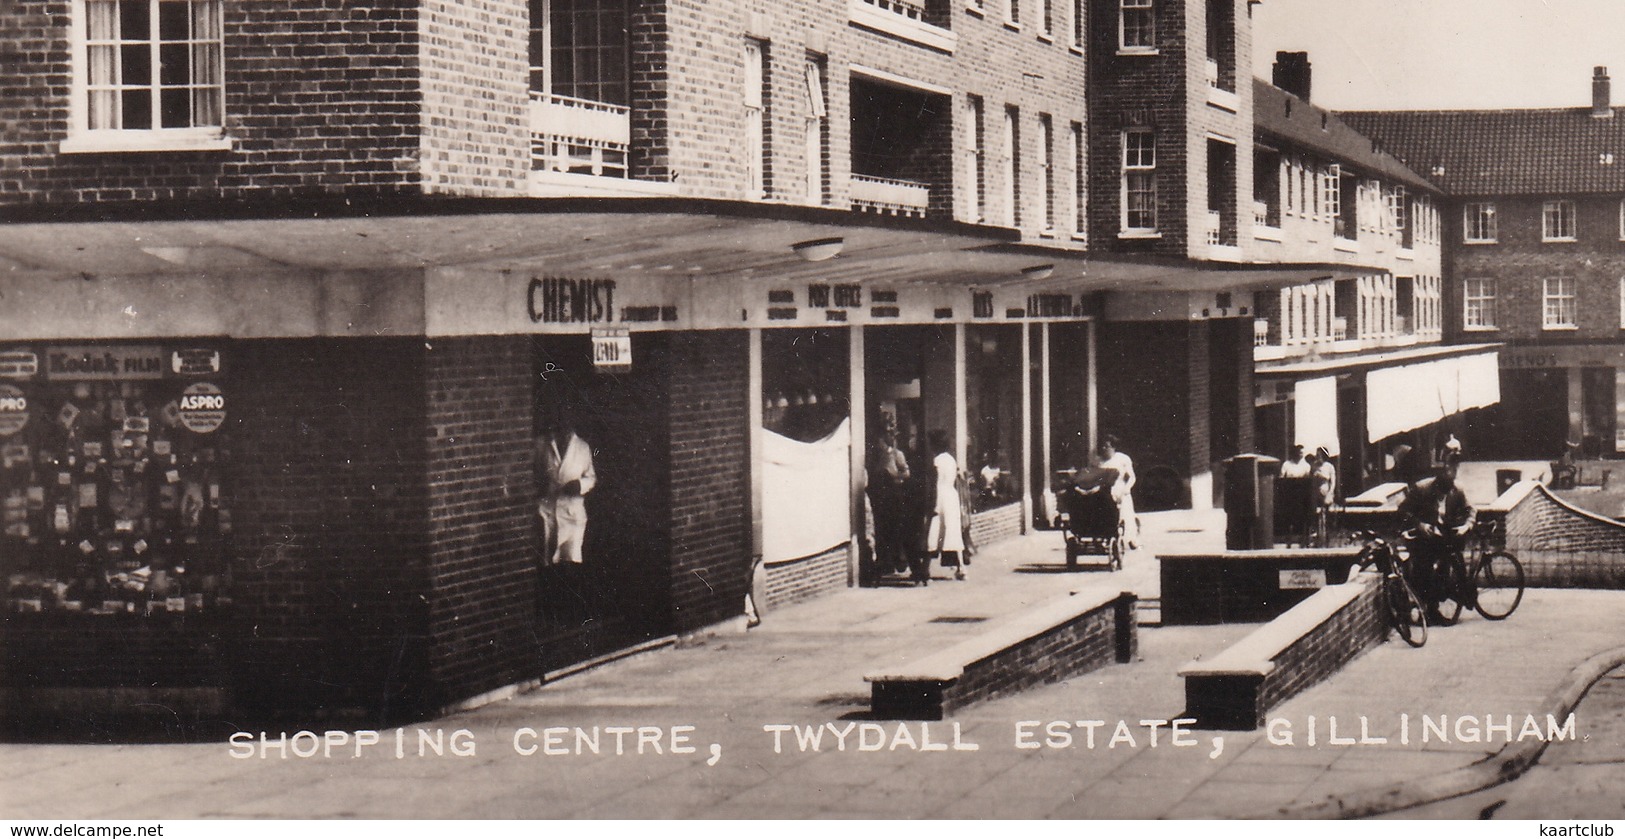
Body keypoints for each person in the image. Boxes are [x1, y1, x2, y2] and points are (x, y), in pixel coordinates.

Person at [1397, 460, 1476, 623]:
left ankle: (1460, 593)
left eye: (1444, 496)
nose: (1442, 498)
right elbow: (1403, 511)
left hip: (1443, 536)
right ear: (1436, 487)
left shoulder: (1457, 490)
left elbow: (1471, 510)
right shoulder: (1421, 489)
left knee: (1452, 563)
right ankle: (1430, 609)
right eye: (1440, 495)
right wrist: (1420, 524)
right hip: (1422, 537)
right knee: (1424, 568)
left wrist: (1466, 526)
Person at [538, 413, 597, 566]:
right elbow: (530, 471)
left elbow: (591, 478)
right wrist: (540, 486)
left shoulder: (582, 447)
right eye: (559, 421)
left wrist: (579, 485)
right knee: (547, 560)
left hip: (572, 513)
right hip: (547, 510)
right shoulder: (542, 444)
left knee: (570, 561)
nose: (563, 426)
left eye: (567, 422)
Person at [867, 427, 913, 580]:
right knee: (883, 531)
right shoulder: (878, 456)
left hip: (894, 495)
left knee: (895, 529)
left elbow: (906, 472)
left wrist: (895, 476)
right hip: (881, 497)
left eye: (880, 440)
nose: (878, 443)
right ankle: (886, 563)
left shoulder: (897, 454)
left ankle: (899, 561)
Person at [924, 430, 967, 582]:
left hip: (940, 496)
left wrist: (933, 504)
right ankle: (961, 567)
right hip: (951, 496)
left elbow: (936, 482)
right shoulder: (951, 459)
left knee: (933, 530)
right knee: (953, 530)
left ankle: (926, 569)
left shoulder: (937, 461)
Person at [1098, 435, 1139, 549]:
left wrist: (1127, 489)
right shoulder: (1099, 462)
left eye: (1107, 446)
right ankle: (1107, 537)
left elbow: (1132, 477)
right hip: (1105, 490)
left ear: (1113, 447)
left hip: (1120, 489)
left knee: (1126, 515)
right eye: (1103, 446)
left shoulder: (1122, 459)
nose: (1104, 449)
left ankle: (1132, 539)